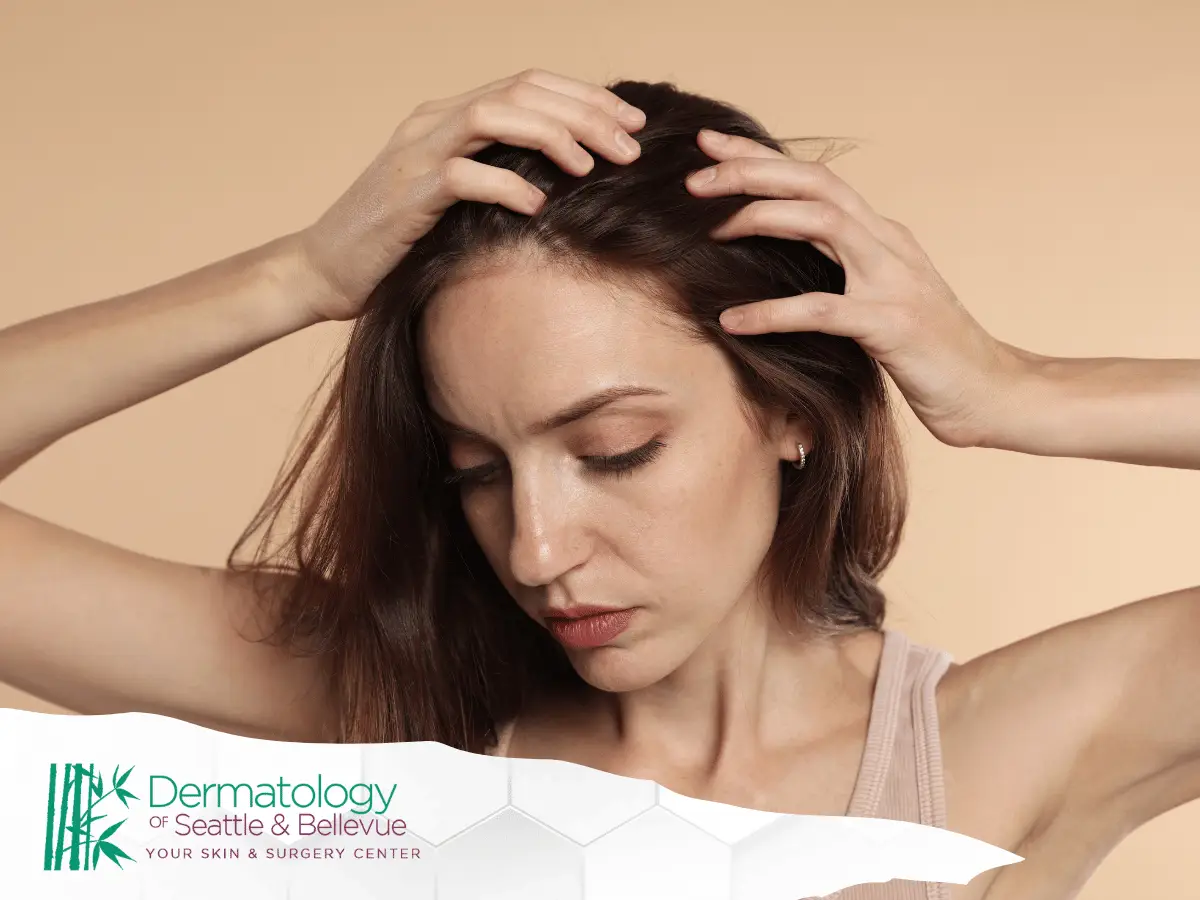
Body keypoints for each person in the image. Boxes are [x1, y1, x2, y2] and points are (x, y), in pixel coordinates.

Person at [0, 68, 1196, 899]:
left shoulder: (1001, 747)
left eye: (616, 450)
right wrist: (295, 278)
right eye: (476, 470)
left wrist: (1014, 391)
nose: (535, 550)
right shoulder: (403, 707)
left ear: (789, 409)